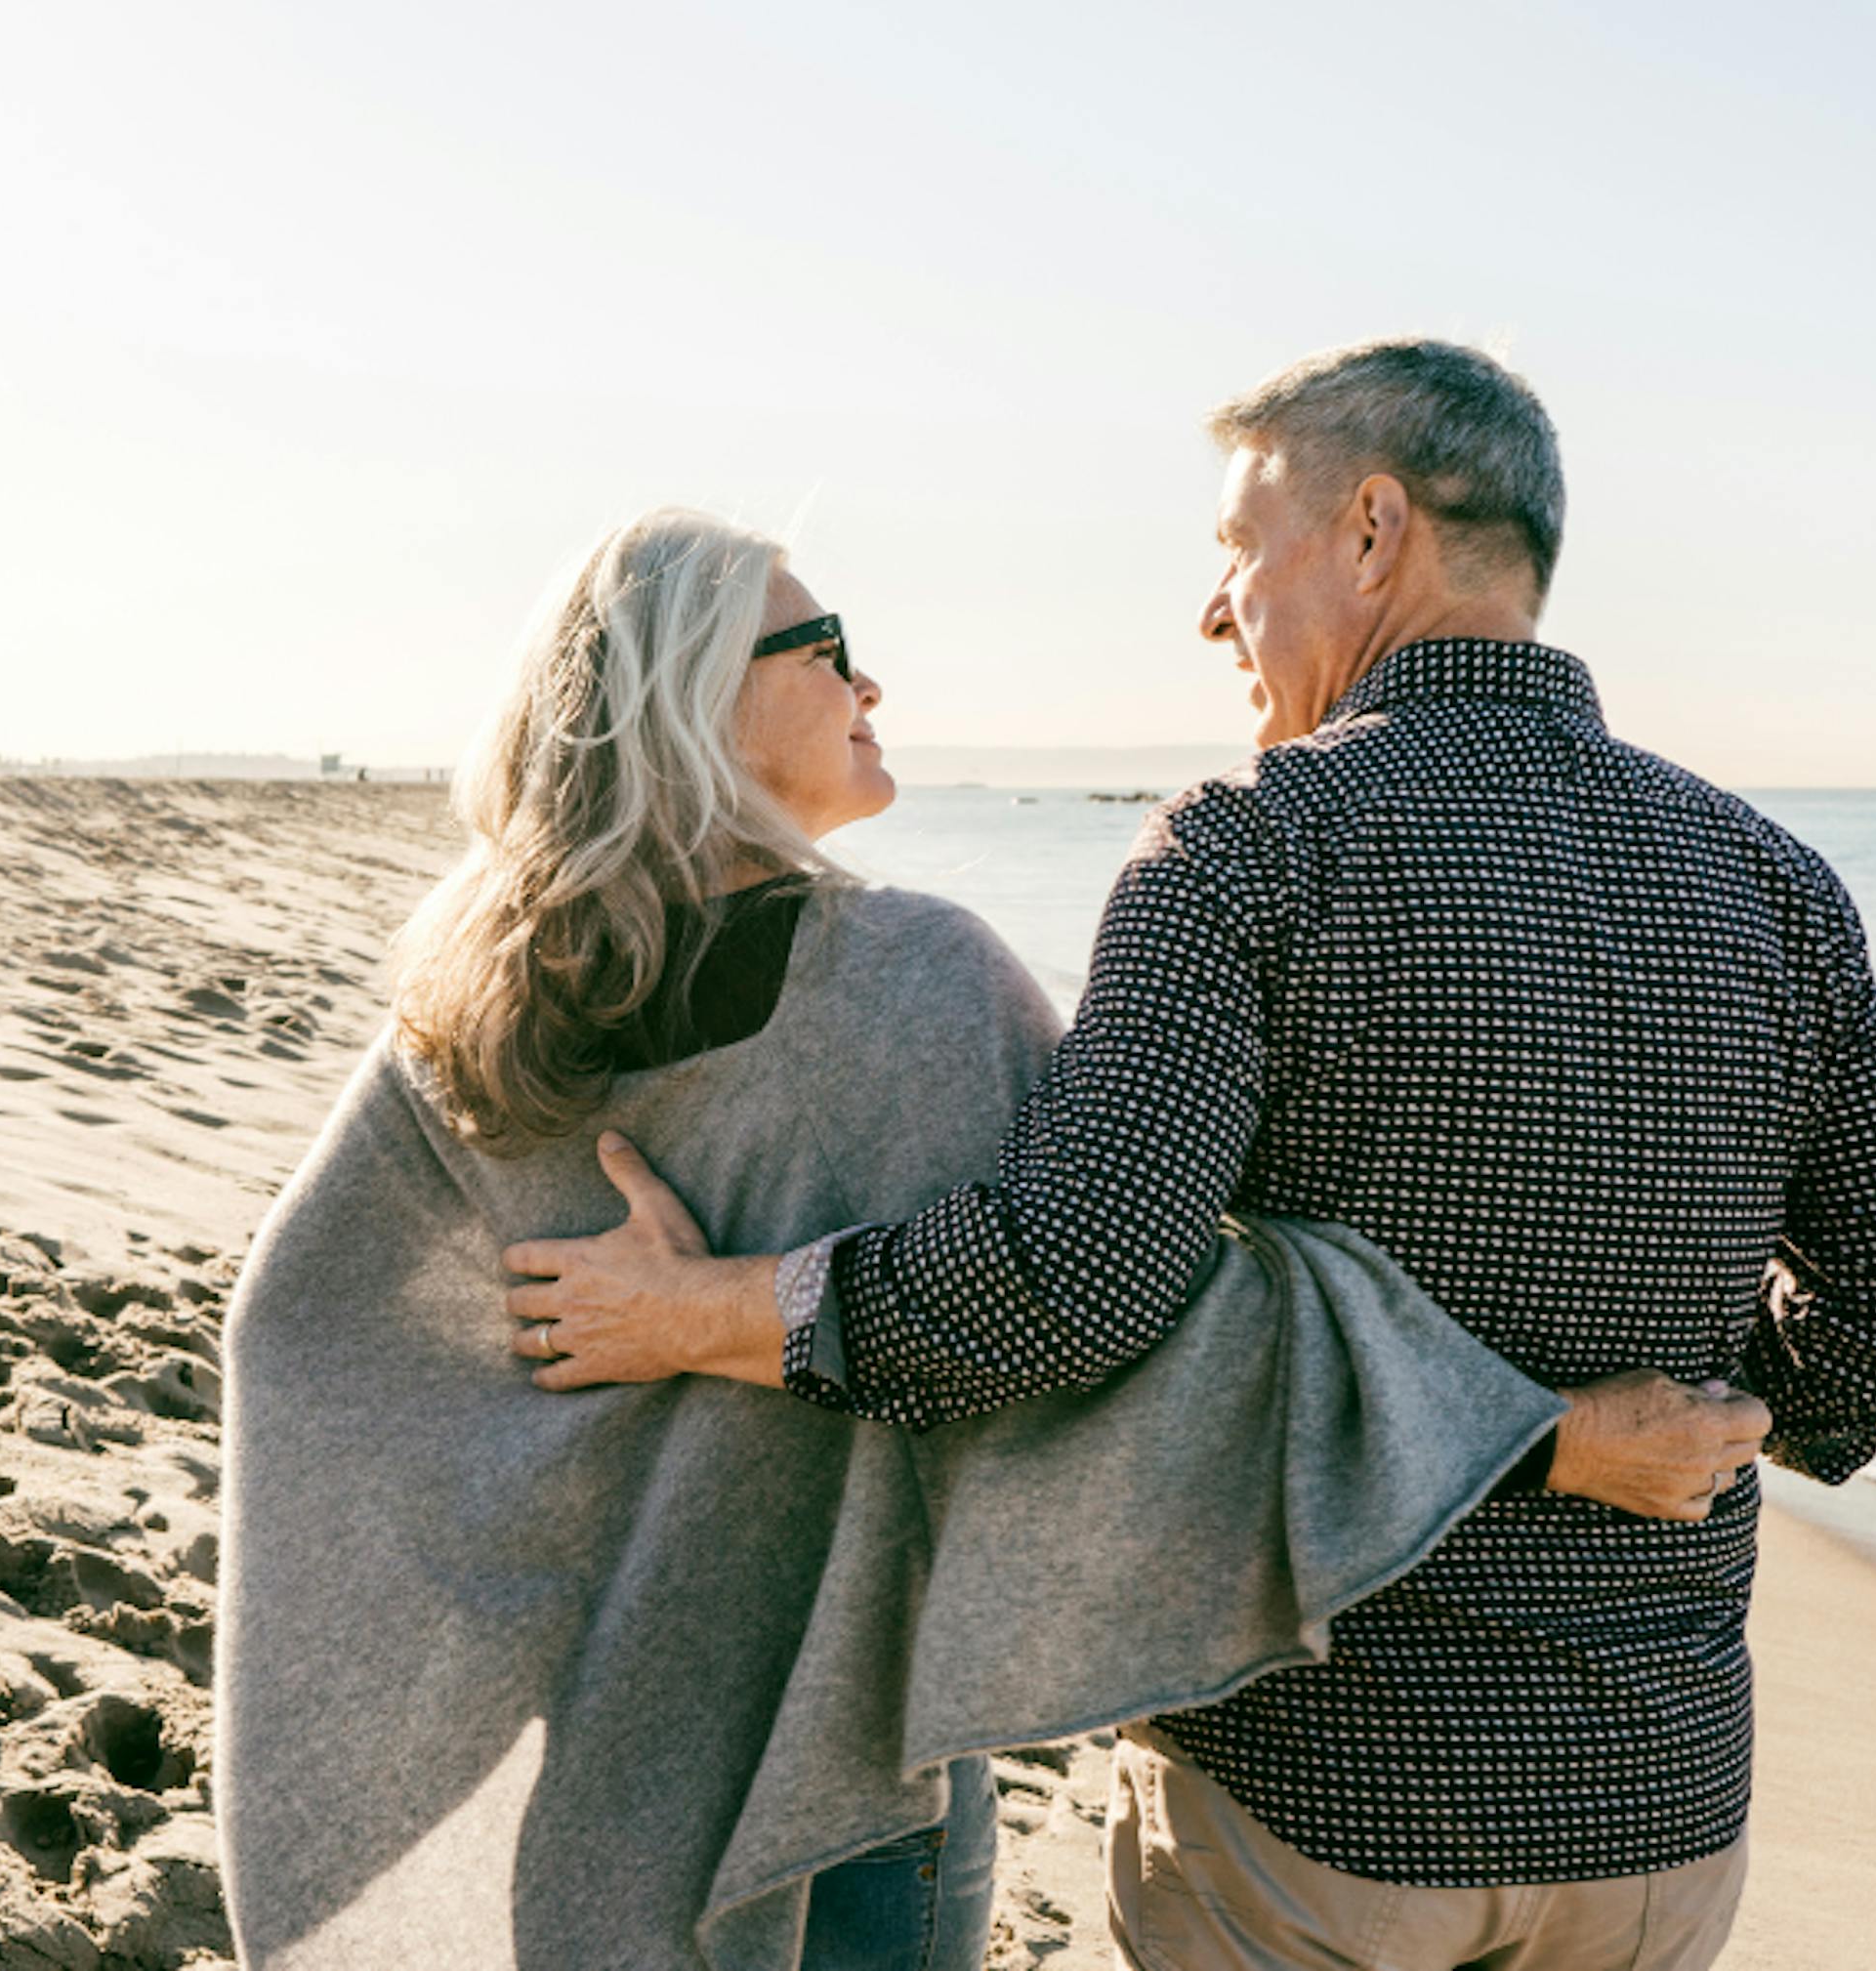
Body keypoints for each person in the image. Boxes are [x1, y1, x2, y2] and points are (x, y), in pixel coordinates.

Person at [499, 343, 1876, 1971]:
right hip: (1657, 1810)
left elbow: (1070, 1286)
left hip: (1318, 1799)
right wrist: (1719, 1408)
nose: (1216, 609)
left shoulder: (1252, 845)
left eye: (1235, 547)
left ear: (1369, 532)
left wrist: (710, 1308)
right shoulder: (1773, 880)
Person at [215, 507, 1751, 1971]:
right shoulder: (910, 987)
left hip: (591, 1756)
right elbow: (1132, 1324)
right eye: (821, 644)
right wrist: (1547, 1437)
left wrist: (551, 1495)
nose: (868, 676)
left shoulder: (478, 1001)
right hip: (833, 1776)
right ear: (691, 702)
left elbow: (300, 1335)